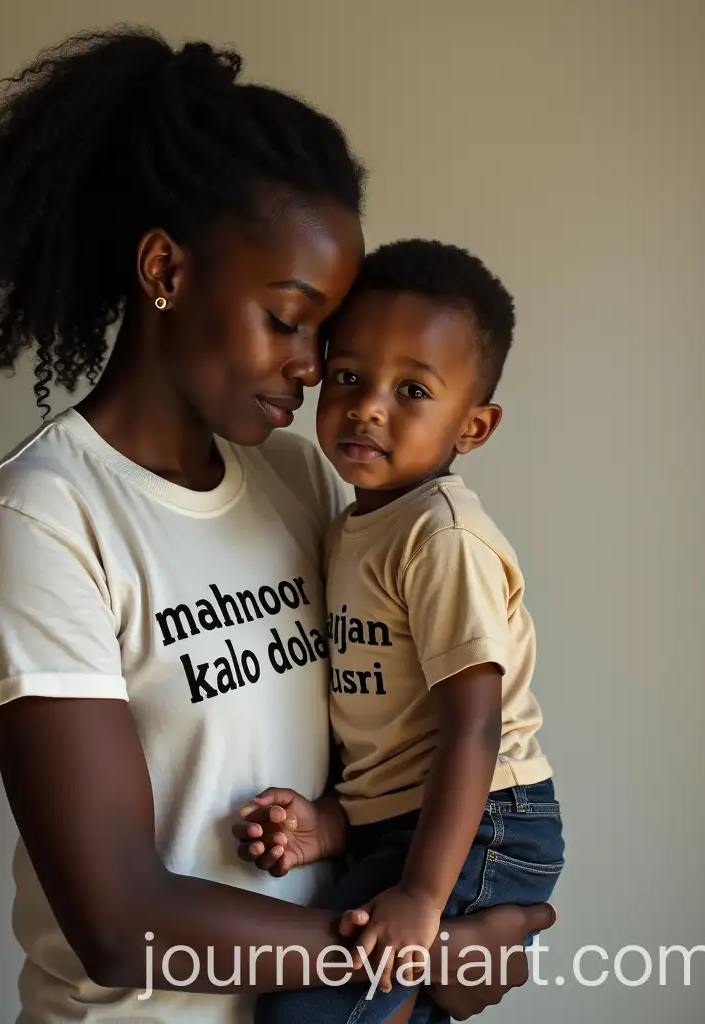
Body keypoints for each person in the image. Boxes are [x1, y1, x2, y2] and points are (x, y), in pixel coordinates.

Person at [0, 27, 557, 1024]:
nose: (315, 368)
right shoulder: (43, 517)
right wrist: (415, 952)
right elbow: (117, 915)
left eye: (326, 332)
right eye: (289, 316)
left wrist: (466, 911)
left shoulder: (299, 478)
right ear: (165, 270)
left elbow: (398, 748)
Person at [241, 240, 564, 1024]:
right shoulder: (350, 520)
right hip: (411, 819)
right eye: (349, 375)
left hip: (482, 819)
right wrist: (337, 821)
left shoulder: (442, 537)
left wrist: (422, 894)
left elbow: (473, 729)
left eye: (412, 389)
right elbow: (390, 716)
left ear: (474, 425)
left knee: (306, 1014)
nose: (369, 405)